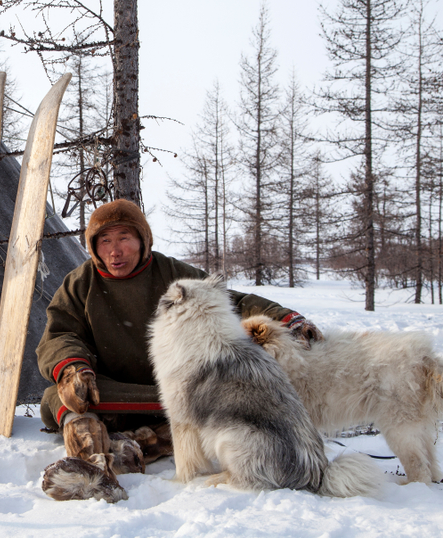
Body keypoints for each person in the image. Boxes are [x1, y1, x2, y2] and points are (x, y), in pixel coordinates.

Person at [35, 198, 321, 466]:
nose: (115, 250)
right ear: (94, 247)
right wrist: (73, 368)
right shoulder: (81, 282)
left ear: (142, 240)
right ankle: (90, 451)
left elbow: (231, 301)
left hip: (173, 389)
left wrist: (285, 317)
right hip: (111, 388)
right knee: (59, 396)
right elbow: (61, 331)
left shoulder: (171, 273)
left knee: (218, 395)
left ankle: (144, 444)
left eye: (124, 238)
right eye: (105, 241)